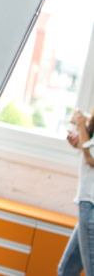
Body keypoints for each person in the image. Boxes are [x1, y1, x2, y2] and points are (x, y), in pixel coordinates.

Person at [59, 107, 94, 276]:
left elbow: (92, 158)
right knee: (67, 270)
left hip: (91, 205)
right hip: (88, 203)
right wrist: (81, 142)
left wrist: (80, 124)